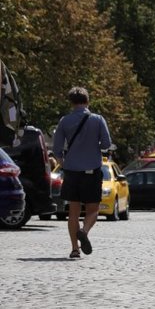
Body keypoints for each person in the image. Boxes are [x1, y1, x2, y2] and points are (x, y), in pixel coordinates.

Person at [51, 87, 112, 260]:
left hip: (71, 172)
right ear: (87, 100)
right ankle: (84, 232)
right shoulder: (98, 120)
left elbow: (56, 149)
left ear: (71, 102)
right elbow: (106, 144)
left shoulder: (64, 121)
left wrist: (64, 163)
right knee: (93, 209)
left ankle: (74, 249)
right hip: (91, 171)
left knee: (73, 212)